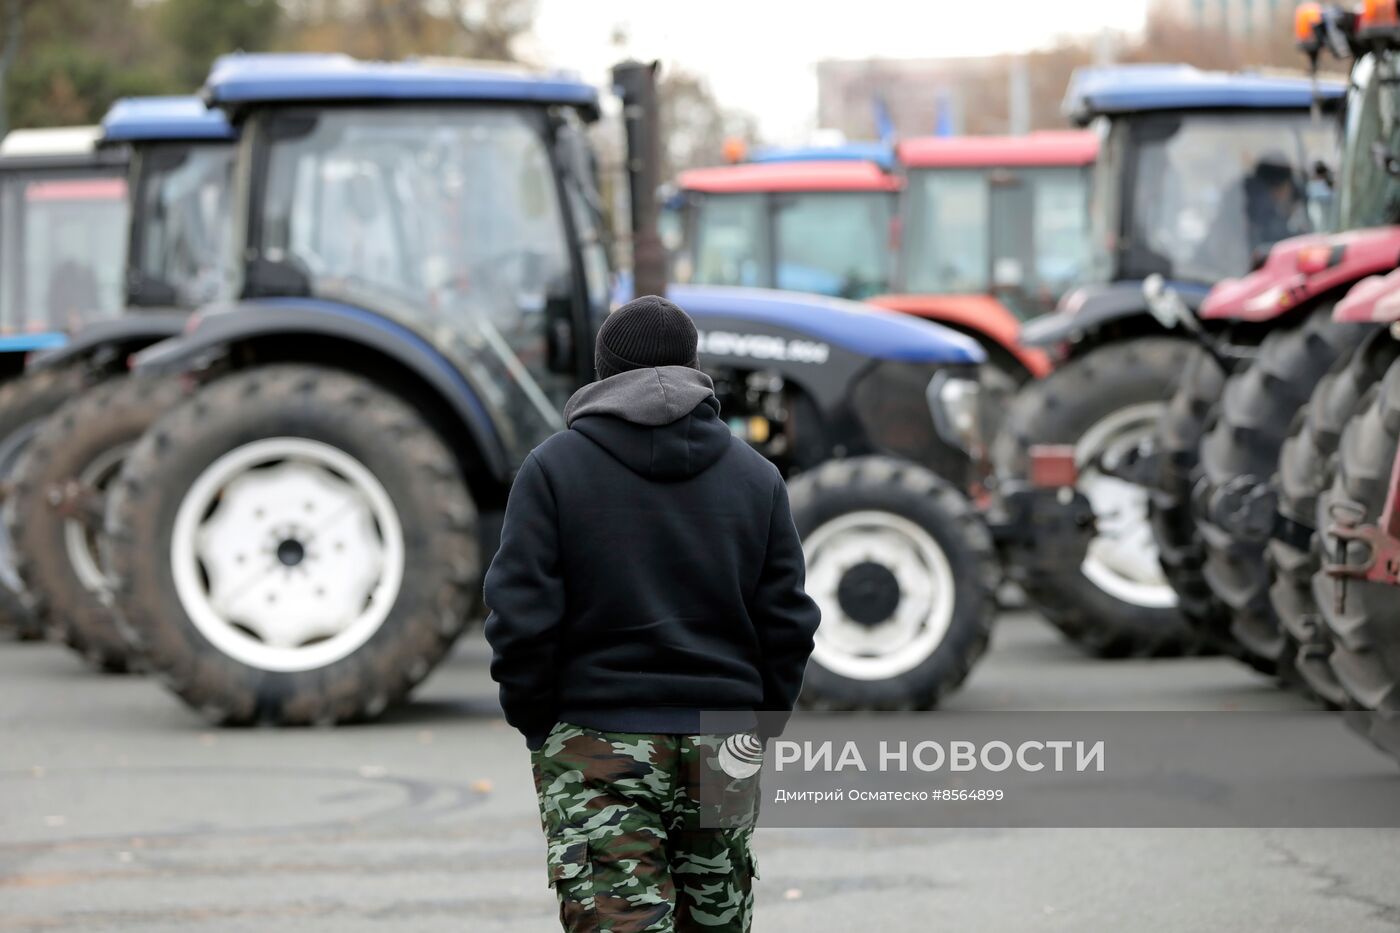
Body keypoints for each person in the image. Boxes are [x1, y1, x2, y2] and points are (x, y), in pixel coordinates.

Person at [484, 294, 821, 932]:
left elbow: (518, 616)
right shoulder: (756, 478)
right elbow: (789, 624)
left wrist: (538, 722)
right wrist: (755, 725)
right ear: (696, 368)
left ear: (602, 372)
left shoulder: (553, 471)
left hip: (595, 740)